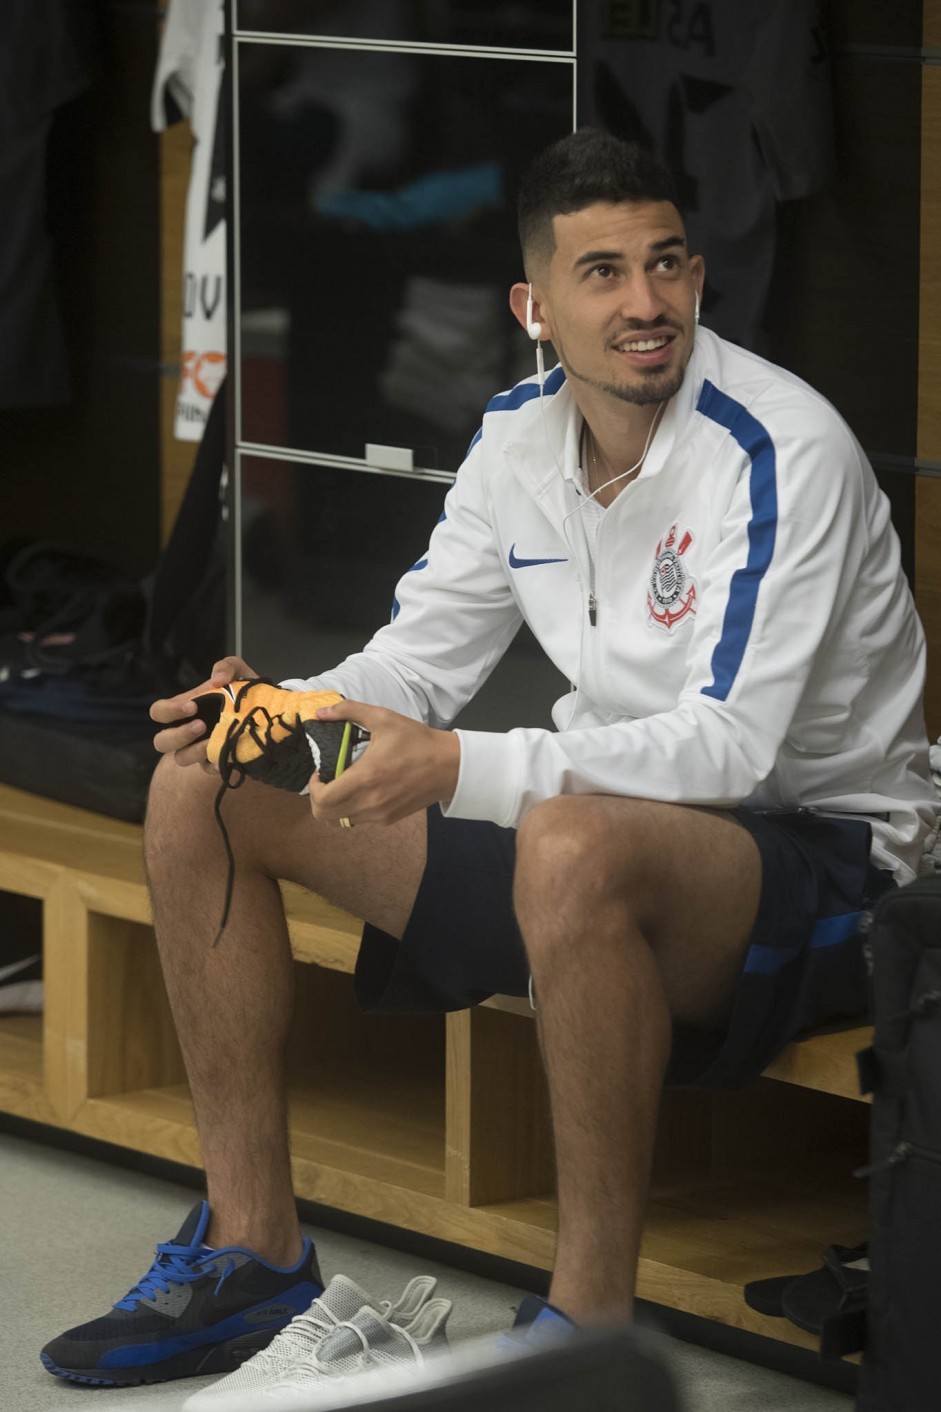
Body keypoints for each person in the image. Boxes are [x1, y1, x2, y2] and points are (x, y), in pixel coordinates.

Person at [41, 128, 934, 1396]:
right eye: (603, 272)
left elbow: (729, 749)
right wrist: (283, 707)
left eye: (666, 264)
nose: (644, 302)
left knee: (565, 840)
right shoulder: (516, 434)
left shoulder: (779, 447)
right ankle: (250, 1245)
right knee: (208, 783)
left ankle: (586, 1327)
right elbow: (417, 661)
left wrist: (456, 766)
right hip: (600, 829)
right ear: (533, 307)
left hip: (825, 856)